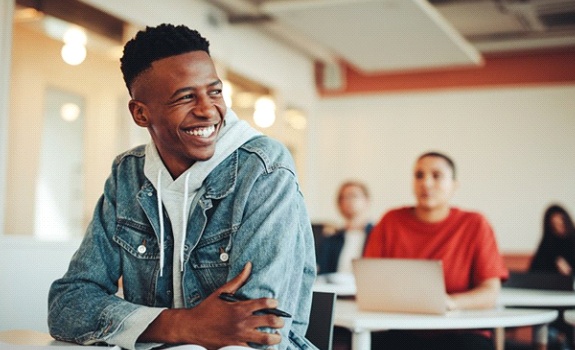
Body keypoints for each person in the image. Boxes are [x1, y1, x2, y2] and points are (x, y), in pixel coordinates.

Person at [48, 24, 317, 350]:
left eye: (215, 92)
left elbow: (259, 333)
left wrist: (143, 325)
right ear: (140, 113)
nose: (207, 110)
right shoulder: (128, 174)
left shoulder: (263, 168)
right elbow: (67, 304)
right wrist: (183, 324)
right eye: (185, 97)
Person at [364, 151, 509, 350]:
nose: (426, 183)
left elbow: (490, 292)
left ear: (455, 185)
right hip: (401, 328)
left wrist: (452, 302)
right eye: (419, 175)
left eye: (437, 175)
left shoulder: (475, 224)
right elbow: (370, 282)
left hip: (461, 330)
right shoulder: (391, 221)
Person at [316, 180, 373, 275]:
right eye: (343, 198)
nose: (348, 201)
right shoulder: (331, 239)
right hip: (335, 288)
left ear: (367, 201)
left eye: (354, 196)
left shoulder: (377, 235)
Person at [530, 204, 575, 275]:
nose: (559, 228)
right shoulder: (547, 245)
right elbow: (534, 274)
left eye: (561, 224)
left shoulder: (572, 242)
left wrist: (570, 272)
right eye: (555, 225)